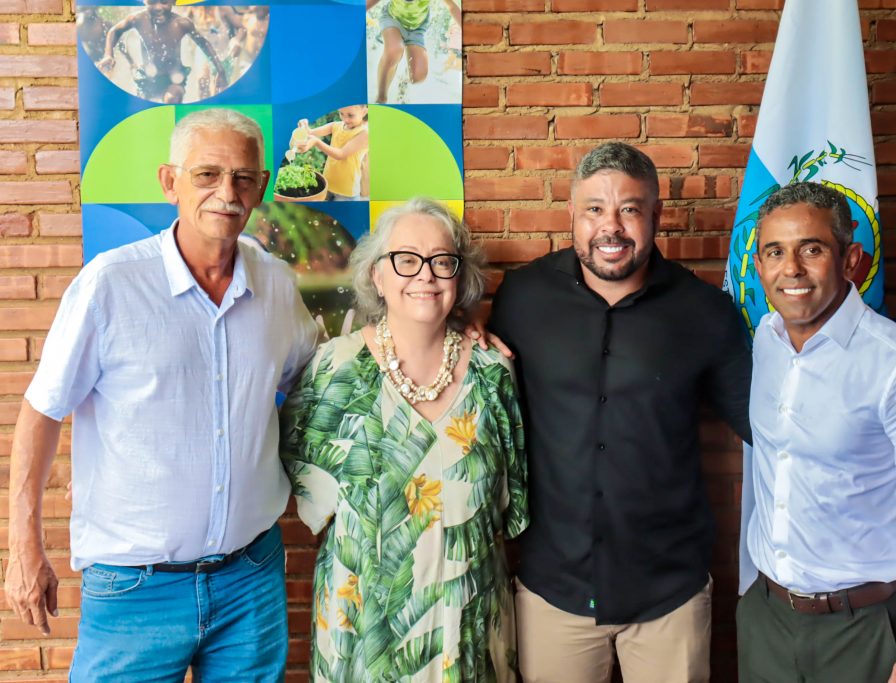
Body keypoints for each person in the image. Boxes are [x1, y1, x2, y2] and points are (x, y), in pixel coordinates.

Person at [5, 108, 319, 680]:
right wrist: (24, 545)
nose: (227, 193)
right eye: (207, 175)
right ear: (170, 182)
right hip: (135, 591)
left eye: (243, 178)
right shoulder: (110, 284)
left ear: (261, 188)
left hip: (250, 579)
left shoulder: (276, 284)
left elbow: (316, 383)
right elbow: (42, 411)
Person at [486, 142, 751, 683]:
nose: (611, 226)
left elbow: (764, 424)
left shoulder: (705, 312)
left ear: (657, 215)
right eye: (595, 209)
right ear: (572, 214)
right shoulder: (522, 297)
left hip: (668, 594)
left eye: (629, 209)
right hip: (553, 591)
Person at [739, 182, 896, 682]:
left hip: (867, 628)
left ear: (851, 261)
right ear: (759, 266)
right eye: (776, 252)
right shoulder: (766, 341)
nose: (792, 269)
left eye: (811, 249)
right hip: (767, 620)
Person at [280, 198, 528, 682]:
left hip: (470, 631)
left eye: (442, 261)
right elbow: (304, 488)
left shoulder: (493, 371)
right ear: (377, 275)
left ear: (459, 276)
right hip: (364, 636)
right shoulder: (334, 370)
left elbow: (509, 503)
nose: (426, 275)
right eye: (406, 259)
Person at [98, 0, 227, 103]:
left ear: (174, 1)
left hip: (174, 78)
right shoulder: (137, 19)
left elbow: (204, 43)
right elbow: (114, 31)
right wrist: (108, 54)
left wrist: (220, 70)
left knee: (172, 99)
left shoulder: (181, 24)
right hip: (147, 78)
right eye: (152, 2)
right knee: (142, 108)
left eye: (164, 2)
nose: (158, 7)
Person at [367, 0, 461, 104]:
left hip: (416, 29)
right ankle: (381, 98)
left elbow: (452, 6)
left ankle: (403, 81)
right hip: (392, 18)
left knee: (418, 77)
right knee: (395, 50)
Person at [294, 105, 370, 200]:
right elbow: (310, 132)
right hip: (328, 184)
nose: (345, 119)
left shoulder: (365, 133)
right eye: (341, 113)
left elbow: (341, 154)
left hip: (346, 191)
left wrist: (317, 142)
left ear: (364, 112)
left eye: (350, 115)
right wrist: (304, 126)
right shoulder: (336, 126)